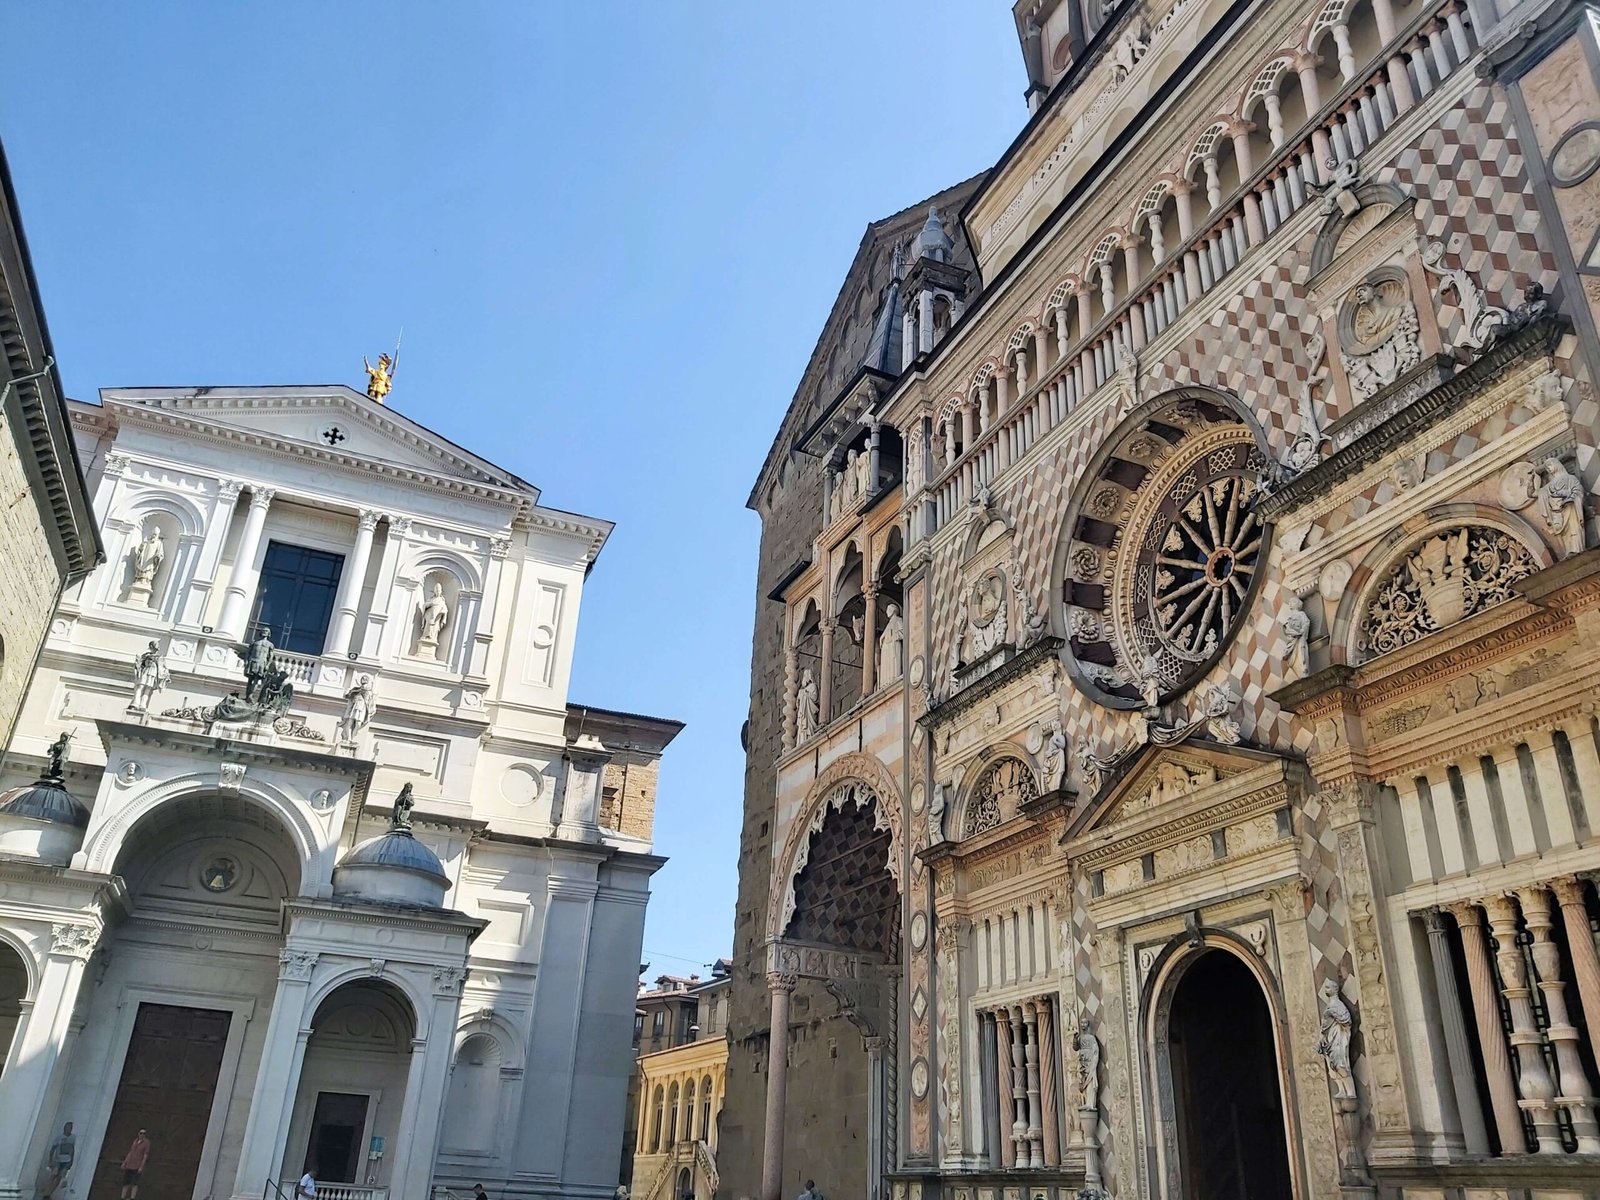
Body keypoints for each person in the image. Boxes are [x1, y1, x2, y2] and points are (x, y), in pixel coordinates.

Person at [40, 1122, 75, 1199]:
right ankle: (45, 1191)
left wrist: (71, 1160)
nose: (68, 1129)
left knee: (60, 1177)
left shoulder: (73, 1138)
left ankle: (49, 1194)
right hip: (58, 1159)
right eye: (66, 1127)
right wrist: (50, 1160)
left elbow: (72, 1149)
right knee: (53, 1174)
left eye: (69, 1128)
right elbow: (53, 1149)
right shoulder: (59, 1137)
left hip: (67, 1160)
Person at [120, 1130, 151, 1200]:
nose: (142, 1135)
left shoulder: (146, 1143)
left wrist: (141, 1166)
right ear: (138, 1134)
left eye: (144, 1133)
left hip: (137, 1165)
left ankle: (132, 1198)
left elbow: (145, 1155)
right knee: (126, 1182)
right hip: (129, 1164)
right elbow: (130, 1152)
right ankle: (122, 1197)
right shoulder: (135, 1141)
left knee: (134, 1183)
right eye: (141, 1133)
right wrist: (125, 1162)